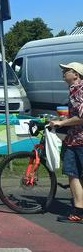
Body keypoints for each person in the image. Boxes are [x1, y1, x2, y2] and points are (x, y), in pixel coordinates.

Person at [49, 62, 83, 223]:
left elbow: (82, 117)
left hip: (81, 139)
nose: (63, 73)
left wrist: (62, 123)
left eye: (66, 70)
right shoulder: (73, 91)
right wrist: (63, 119)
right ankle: (78, 210)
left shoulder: (80, 91)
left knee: (75, 173)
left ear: (76, 74)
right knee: (72, 173)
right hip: (74, 139)